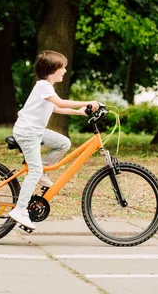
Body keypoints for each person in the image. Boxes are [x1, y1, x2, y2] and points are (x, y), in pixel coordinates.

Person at [8, 50, 98, 230]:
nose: (65, 71)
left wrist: (79, 112)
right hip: (27, 133)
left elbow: (56, 107)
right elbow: (61, 103)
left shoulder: (47, 88)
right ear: (52, 70)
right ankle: (20, 209)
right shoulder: (43, 86)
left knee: (63, 143)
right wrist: (86, 102)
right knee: (34, 170)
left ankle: (41, 172)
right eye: (62, 67)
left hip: (36, 131)